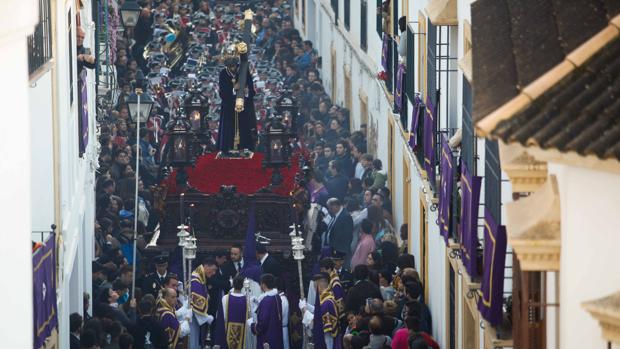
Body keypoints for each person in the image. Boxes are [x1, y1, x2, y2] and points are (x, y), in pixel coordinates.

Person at [217, 54, 257, 152]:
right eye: (230, 67)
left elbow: (252, 91)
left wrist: (247, 92)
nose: (232, 68)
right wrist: (233, 90)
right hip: (229, 108)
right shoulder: (223, 74)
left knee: (244, 127)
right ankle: (228, 147)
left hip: (243, 106)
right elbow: (222, 93)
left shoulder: (244, 73)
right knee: (229, 129)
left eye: (234, 66)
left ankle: (245, 147)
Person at [215, 275, 253, 349]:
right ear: (242, 285)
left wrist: (218, 339)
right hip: (242, 333)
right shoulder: (247, 300)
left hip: (227, 332)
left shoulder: (225, 298)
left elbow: (220, 319)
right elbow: (249, 318)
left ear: (232, 284)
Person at [249, 274, 284, 349]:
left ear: (264, 285)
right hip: (276, 335)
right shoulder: (277, 297)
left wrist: (252, 325)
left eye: (261, 283)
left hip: (267, 338)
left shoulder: (266, 301)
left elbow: (262, 323)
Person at [189, 258, 217, 349]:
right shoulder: (196, 281)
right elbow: (197, 303)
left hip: (196, 318)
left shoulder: (200, 278)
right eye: (213, 270)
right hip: (193, 318)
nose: (214, 273)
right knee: (193, 340)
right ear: (206, 266)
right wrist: (206, 318)